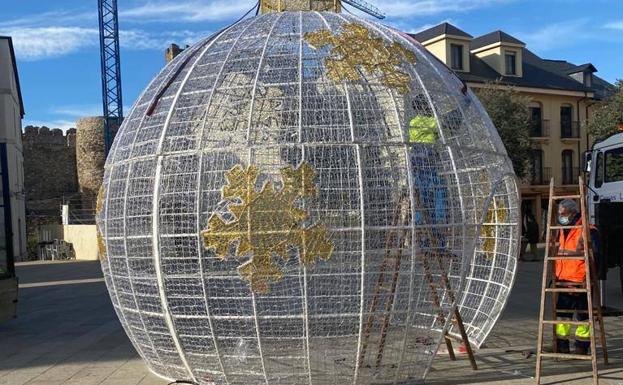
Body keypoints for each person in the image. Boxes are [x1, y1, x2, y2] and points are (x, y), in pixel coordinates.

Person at [554, 199, 599, 355]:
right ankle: (562, 345)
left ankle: (581, 347)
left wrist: (588, 279)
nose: (561, 217)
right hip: (564, 280)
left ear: (573, 213)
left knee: (583, 317)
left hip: (581, 281)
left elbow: (596, 257)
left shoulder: (587, 230)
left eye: (564, 214)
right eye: (560, 215)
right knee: (562, 317)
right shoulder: (561, 229)